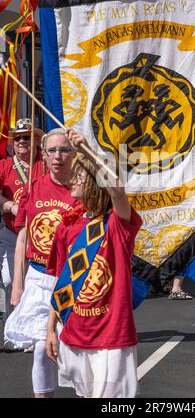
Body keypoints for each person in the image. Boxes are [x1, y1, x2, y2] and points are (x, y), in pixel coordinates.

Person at [46, 130, 142, 398]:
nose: (72, 179)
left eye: (79, 175)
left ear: (93, 181)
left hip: (112, 335)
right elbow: (61, 280)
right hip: (75, 329)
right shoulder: (68, 225)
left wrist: (87, 150)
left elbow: (117, 190)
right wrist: (50, 328)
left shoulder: (117, 224)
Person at [4, 128, 77, 398]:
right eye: (52, 151)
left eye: (65, 150)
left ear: (74, 153)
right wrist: (17, 286)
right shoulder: (33, 189)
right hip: (38, 278)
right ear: (43, 155)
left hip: (73, 280)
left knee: (75, 350)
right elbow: (22, 238)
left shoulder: (85, 190)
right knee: (40, 350)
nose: (58, 156)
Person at [0, 118, 43, 326]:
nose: (21, 141)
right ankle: (12, 328)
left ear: (36, 140)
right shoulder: (5, 166)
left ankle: (35, 330)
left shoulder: (46, 164)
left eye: (26, 137)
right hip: (12, 233)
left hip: (40, 237)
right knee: (9, 281)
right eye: (17, 138)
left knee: (35, 282)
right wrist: (10, 206)